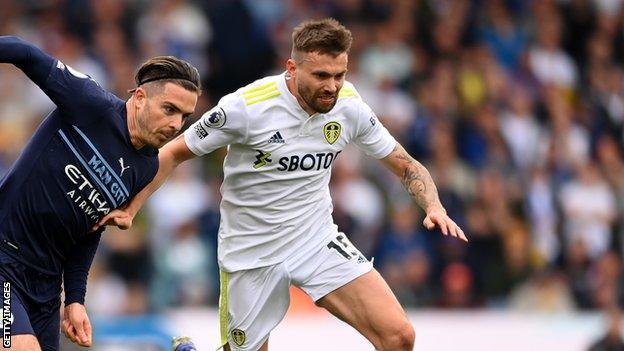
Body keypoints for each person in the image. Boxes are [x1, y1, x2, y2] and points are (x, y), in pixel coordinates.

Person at [97, 18, 467, 351]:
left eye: (340, 75)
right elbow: (174, 151)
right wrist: (133, 206)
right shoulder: (245, 107)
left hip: (315, 239)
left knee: (399, 336)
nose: (332, 87)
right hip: (251, 251)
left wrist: (433, 206)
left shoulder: (349, 106)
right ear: (291, 68)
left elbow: (405, 165)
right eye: (321, 76)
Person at [0, 35, 201, 351]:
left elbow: (89, 230)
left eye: (185, 116)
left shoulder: (145, 167)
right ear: (139, 97)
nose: (176, 124)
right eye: (169, 109)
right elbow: (22, 51)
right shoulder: (89, 103)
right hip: (5, 256)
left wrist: (76, 300)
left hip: (47, 287)